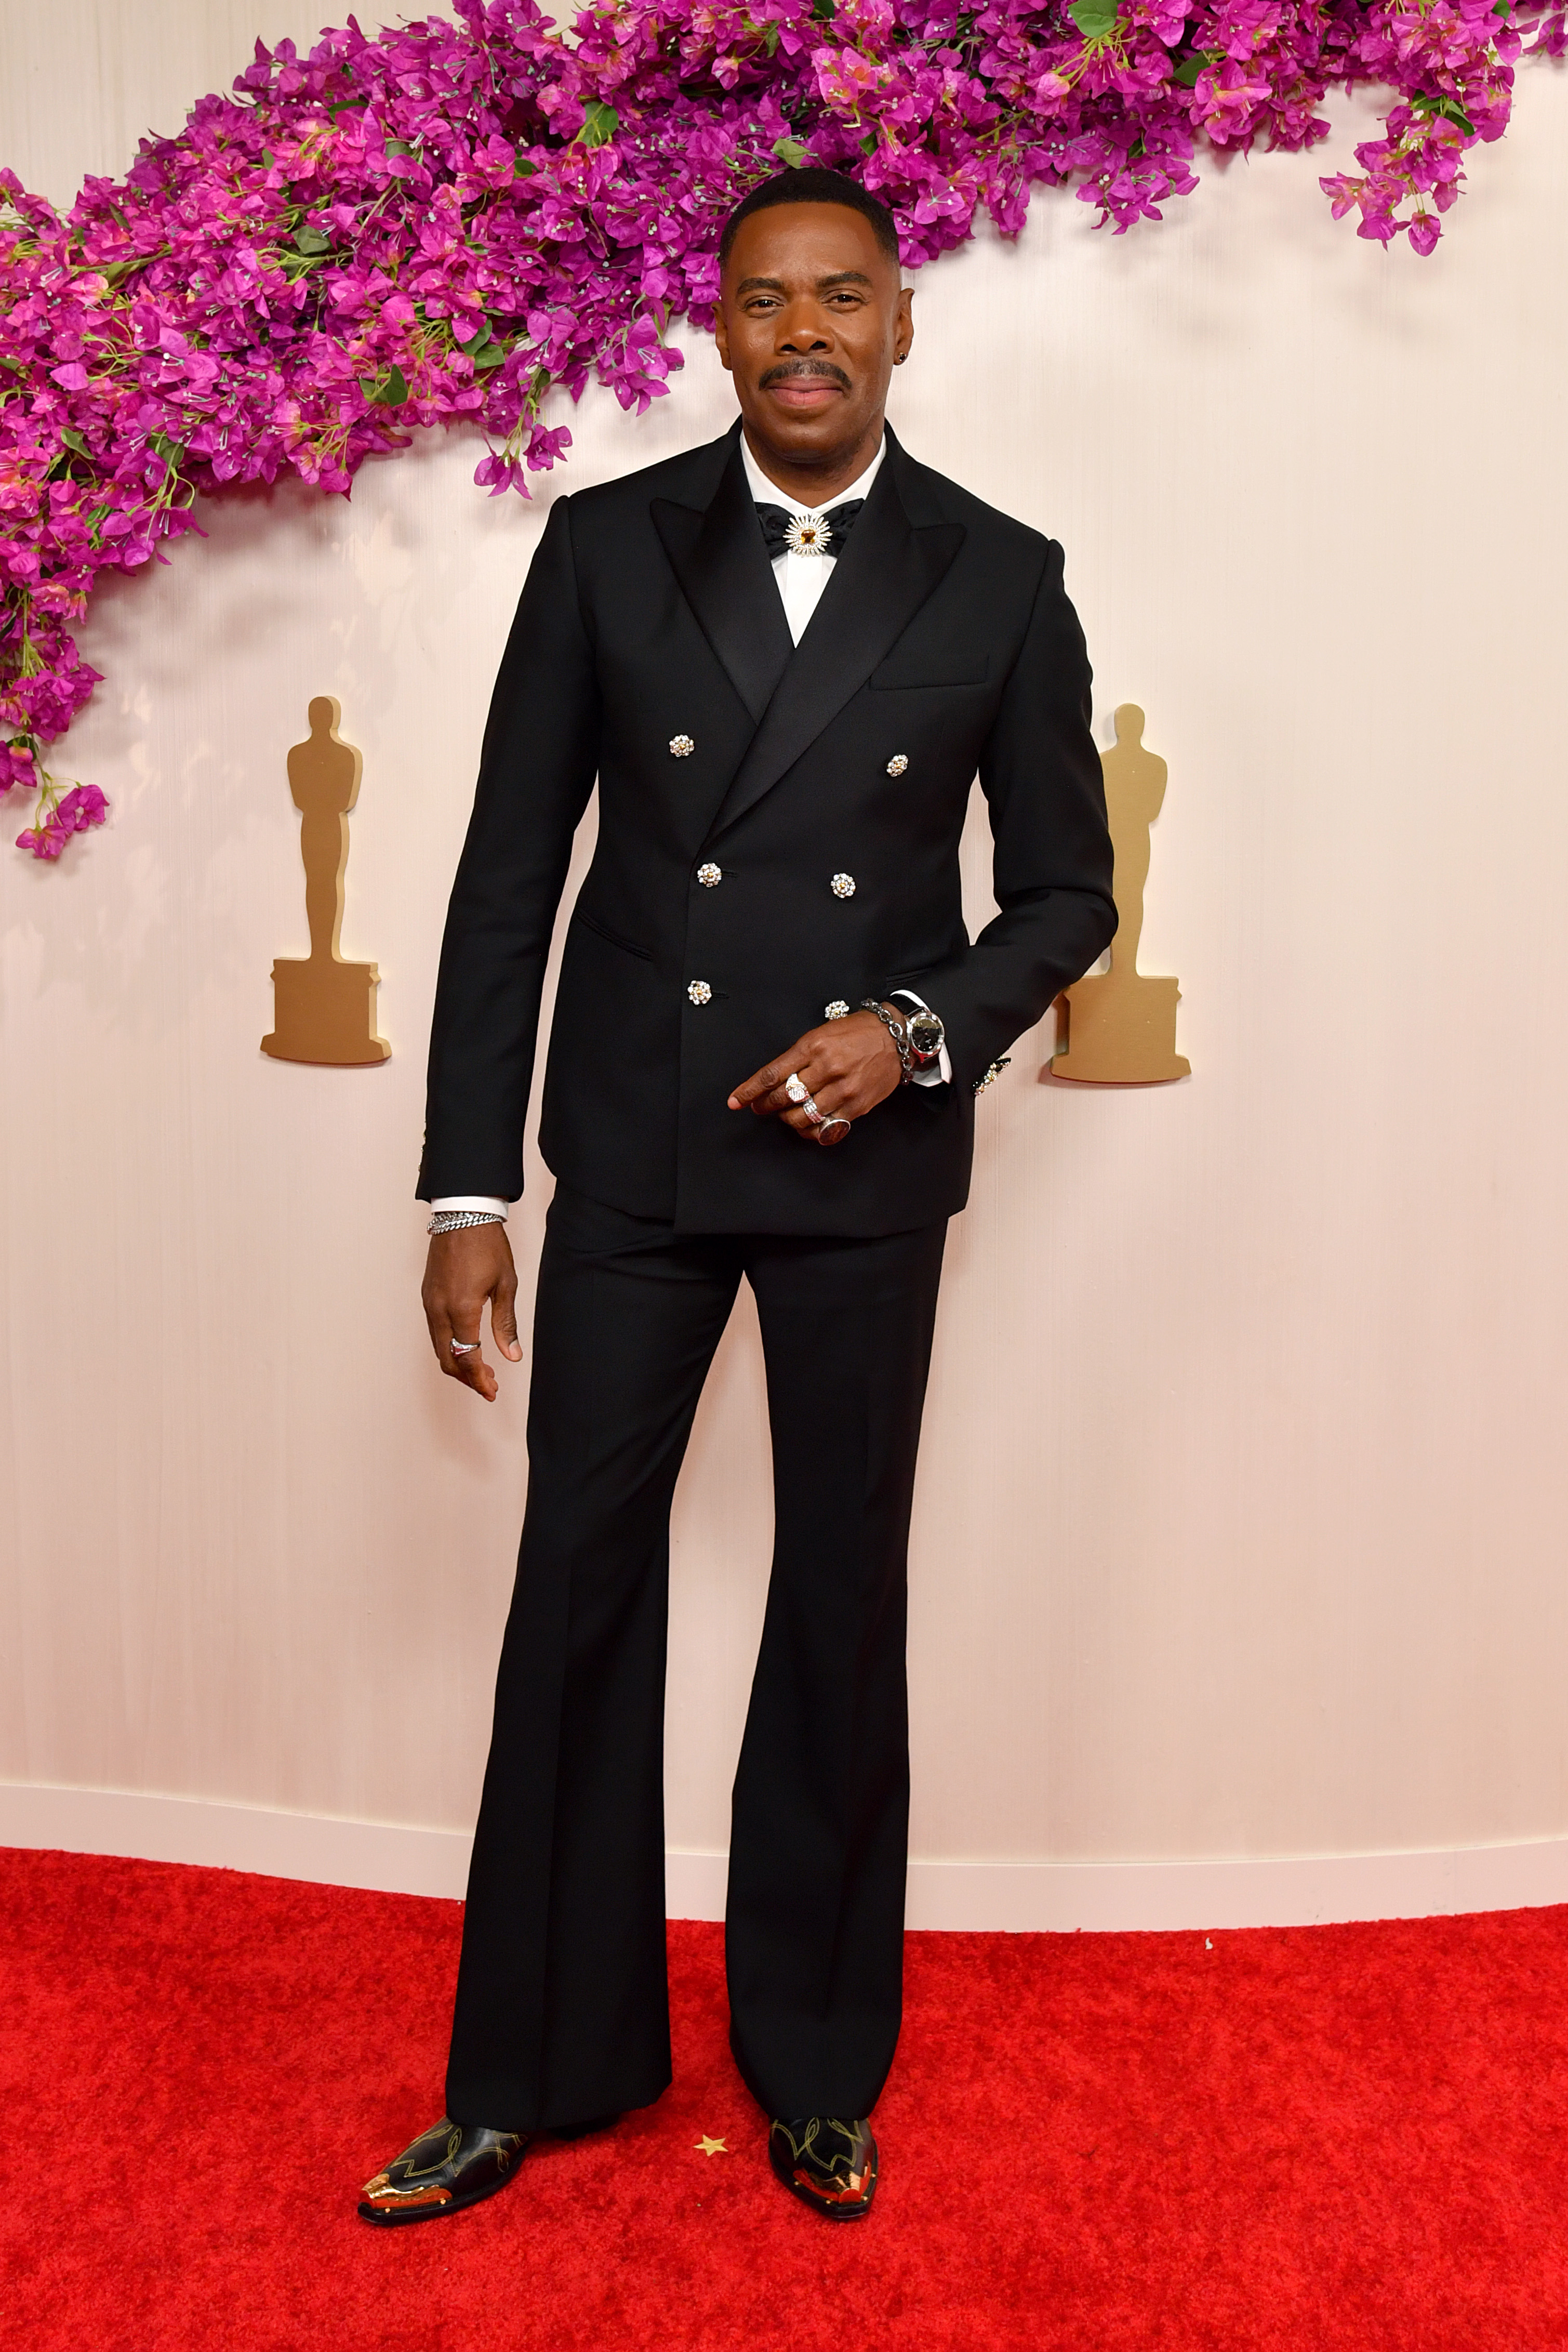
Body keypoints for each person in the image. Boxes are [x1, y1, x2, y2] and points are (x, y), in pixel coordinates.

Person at [357, 166, 1115, 2229]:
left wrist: (917, 1025)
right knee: (573, 1585)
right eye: (764, 299)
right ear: (714, 327)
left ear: (896, 325)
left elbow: (1064, 894)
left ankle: (811, 2062)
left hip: (866, 1165)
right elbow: (506, 877)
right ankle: (528, 2065)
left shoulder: (993, 575)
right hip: (629, 1149)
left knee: (837, 1597)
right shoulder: (605, 549)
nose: (802, 332)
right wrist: (459, 1191)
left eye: (840, 298)